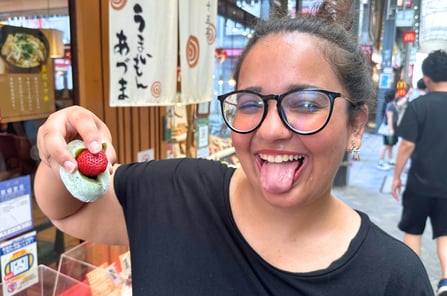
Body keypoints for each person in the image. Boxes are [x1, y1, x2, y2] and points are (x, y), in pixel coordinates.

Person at [35, 1, 433, 294]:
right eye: (249, 103)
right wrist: (63, 145)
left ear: (356, 125)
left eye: (307, 103)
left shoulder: (393, 278)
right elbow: (69, 210)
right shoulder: (175, 192)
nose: (272, 129)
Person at [392, 49, 447, 296]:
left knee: (413, 231)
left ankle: (412, 284)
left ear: (426, 79)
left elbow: (406, 145)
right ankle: (446, 282)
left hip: (419, 184)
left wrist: (396, 176)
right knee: (445, 234)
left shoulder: (418, 106)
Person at [377, 88, 400, 170]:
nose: (398, 94)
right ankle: (381, 162)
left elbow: (400, 104)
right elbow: (389, 118)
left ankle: (390, 160)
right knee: (386, 145)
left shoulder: (393, 104)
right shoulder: (390, 105)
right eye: (396, 92)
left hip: (392, 127)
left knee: (391, 145)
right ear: (393, 95)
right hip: (388, 128)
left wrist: (408, 96)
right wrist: (391, 130)